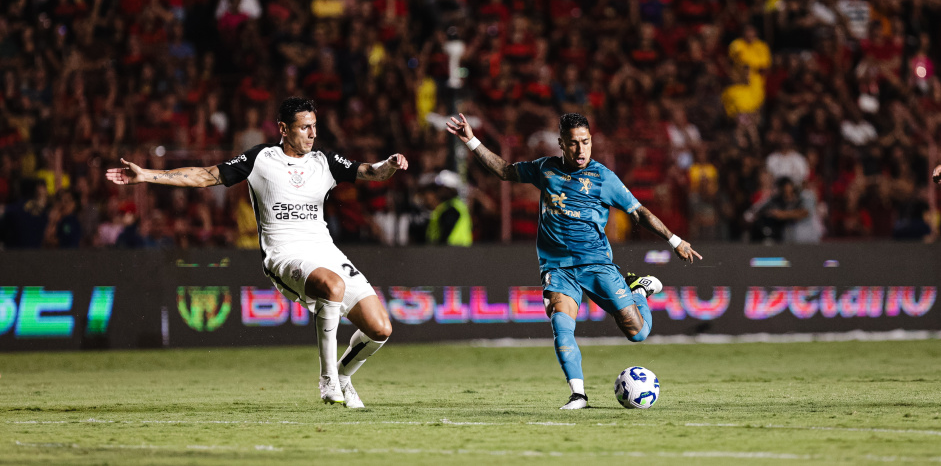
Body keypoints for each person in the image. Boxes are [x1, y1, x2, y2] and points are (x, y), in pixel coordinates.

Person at [107, 97, 408, 409]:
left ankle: (344, 376)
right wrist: (147, 175)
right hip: (284, 254)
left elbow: (372, 172)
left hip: (326, 252)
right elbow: (207, 175)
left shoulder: (324, 162)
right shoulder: (261, 159)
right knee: (332, 286)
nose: (312, 133)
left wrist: (390, 164)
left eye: (314, 127)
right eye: (304, 127)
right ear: (283, 129)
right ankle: (328, 377)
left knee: (380, 328)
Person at [446, 112, 702, 410]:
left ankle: (640, 289)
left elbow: (639, 212)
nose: (580, 150)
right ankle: (578, 394)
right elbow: (504, 170)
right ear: (561, 144)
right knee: (561, 323)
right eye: (573, 144)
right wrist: (472, 140)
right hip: (557, 267)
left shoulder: (603, 178)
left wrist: (674, 241)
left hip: (597, 264)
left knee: (638, 333)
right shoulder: (545, 169)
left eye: (585, 142)